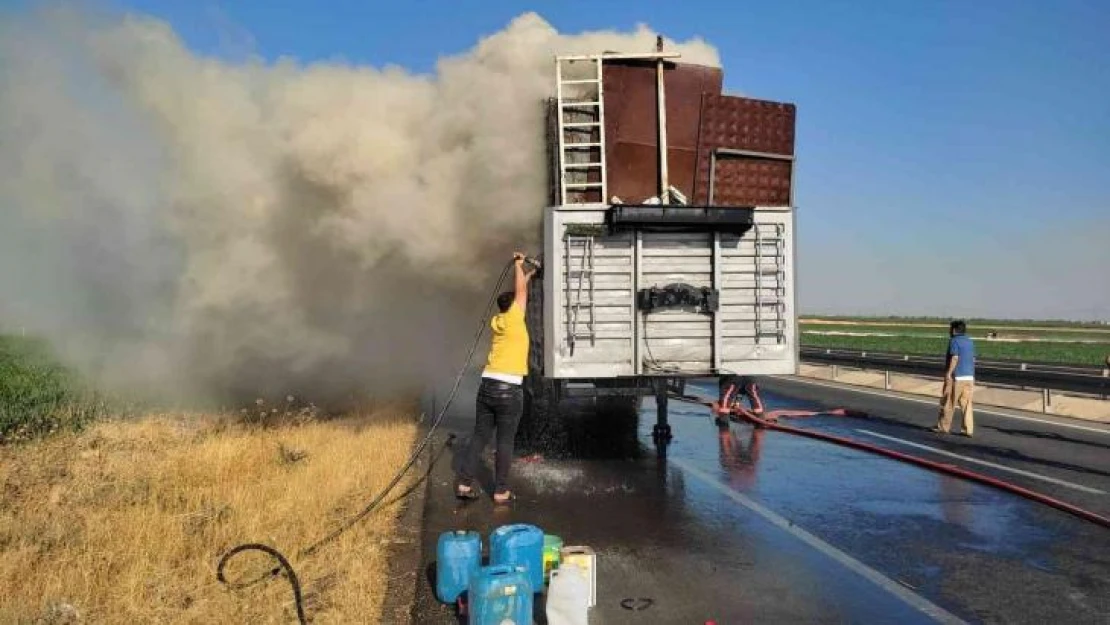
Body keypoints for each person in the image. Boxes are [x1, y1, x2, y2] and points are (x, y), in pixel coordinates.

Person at [455, 252, 536, 503]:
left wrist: (530, 275)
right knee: (504, 441)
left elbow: (519, 292)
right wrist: (519, 264)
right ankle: (500, 491)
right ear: (514, 307)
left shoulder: (499, 320)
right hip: (509, 390)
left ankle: (464, 485)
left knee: (480, 436)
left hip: (487, 386)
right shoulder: (514, 319)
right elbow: (520, 293)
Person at [933, 319, 976, 437]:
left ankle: (943, 426)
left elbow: (955, 358)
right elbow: (972, 359)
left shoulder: (954, 341)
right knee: (967, 404)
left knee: (949, 402)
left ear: (954, 330)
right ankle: (968, 429)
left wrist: (949, 373)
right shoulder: (970, 342)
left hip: (957, 377)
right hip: (969, 377)